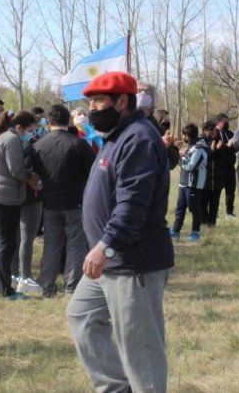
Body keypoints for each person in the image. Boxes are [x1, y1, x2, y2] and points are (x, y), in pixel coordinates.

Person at [67, 72, 174, 393]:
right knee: (82, 315)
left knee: (139, 346)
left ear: (123, 101)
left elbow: (133, 205)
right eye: (89, 102)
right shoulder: (116, 135)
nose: (92, 108)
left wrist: (105, 247)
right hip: (109, 261)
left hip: (131, 260)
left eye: (98, 101)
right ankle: (116, 388)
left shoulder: (138, 138)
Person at [33, 104, 95, 298]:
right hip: (75, 201)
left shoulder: (38, 145)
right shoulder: (79, 144)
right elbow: (92, 173)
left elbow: (33, 173)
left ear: (49, 122)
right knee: (76, 244)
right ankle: (72, 285)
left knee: (52, 244)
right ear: (68, 120)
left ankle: (47, 285)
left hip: (50, 202)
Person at [0, 110, 41, 300]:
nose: (31, 133)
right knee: (6, 244)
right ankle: (4, 291)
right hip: (3, 197)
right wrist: (31, 178)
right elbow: (16, 169)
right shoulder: (12, 139)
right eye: (30, 129)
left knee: (2, 243)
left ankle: (0, 287)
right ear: (19, 127)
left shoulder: (1, 137)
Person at [11, 128, 43, 295]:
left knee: (17, 238)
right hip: (31, 197)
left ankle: (14, 274)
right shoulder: (34, 149)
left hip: (13, 197)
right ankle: (25, 276)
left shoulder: (10, 147)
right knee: (26, 239)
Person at [170, 123, 209, 242]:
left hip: (193, 185)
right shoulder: (190, 147)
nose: (183, 138)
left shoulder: (199, 149)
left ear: (189, 136)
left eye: (184, 135)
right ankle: (175, 231)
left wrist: (178, 159)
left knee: (194, 209)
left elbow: (191, 166)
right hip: (183, 184)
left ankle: (195, 232)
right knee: (179, 209)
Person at [209, 114, 237, 222]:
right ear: (219, 122)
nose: (226, 123)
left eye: (227, 121)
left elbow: (234, 149)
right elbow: (213, 150)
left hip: (230, 166)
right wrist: (225, 146)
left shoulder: (230, 133)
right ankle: (214, 213)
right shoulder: (213, 133)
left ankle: (229, 212)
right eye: (224, 121)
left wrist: (233, 145)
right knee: (216, 192)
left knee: (231, 190)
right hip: (218, 167)